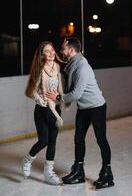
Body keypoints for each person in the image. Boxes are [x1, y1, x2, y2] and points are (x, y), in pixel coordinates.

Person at [46, 37, 115, 189]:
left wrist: (59, 97)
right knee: (78, 139)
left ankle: (107, 173)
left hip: (96, 107)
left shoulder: (82, 66)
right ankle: (79, 171)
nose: (61, 50)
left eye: (63, 47)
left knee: (101, 139)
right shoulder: (72, 64)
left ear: (71, 50)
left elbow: (76, 94)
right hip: (84, 108)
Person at [22, 41, 64, 185]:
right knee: (44, 141)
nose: (51, 53)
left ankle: (48, 171)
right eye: (47, 51)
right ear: (42, 55)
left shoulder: (57, 67)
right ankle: (27, 160)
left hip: (55, 109)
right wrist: (40, 99)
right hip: (41, 110)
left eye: (52, 50)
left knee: (52, 142)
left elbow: (60, 87)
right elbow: (31, 90)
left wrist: (62, 100)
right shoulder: (40, 69)